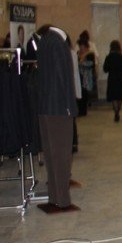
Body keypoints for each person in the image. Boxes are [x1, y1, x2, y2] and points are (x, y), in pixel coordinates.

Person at [35, 25, 79, 212]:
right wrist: (69, 106)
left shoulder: (44, 41)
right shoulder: (59, 43)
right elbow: (63, 77)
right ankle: (63, 200)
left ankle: (54, 196)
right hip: (59, 108)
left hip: (45, 106)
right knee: (62, 155)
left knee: (51, 155)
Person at [103, 40, 122, 122]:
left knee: (113, 96)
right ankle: (118, 111)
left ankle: (116, 112)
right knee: (120, 95)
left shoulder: (108, 57)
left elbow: (105, 69)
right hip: (121, 78)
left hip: (112, 78)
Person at [76, 38, 96, 116]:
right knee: (79, 93)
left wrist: (81, 62)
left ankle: (83, 111)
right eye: (80, 47)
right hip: (78, 76)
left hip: (86, 77)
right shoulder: (77, 53)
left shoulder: (90, 54)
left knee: (84, 93)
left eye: (82, 47)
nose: (81, 49)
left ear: (86, 47)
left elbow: (90, 64)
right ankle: (80, 110)